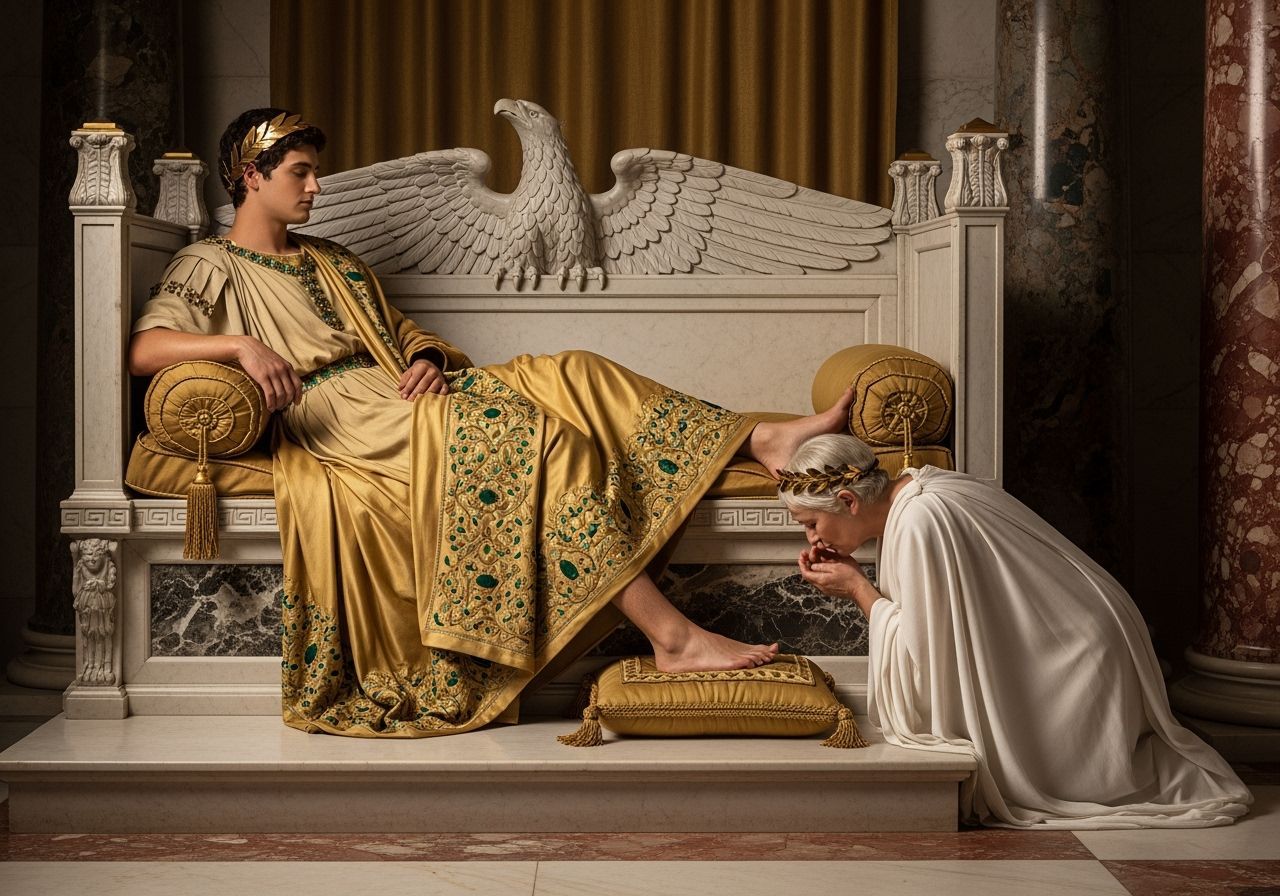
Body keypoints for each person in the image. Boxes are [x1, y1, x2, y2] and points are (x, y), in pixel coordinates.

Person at [128, 108, 851, 738]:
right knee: (550, 444)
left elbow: (400, 330)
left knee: (576, 370)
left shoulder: (334, 262)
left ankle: (762, 438)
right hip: (338, 420)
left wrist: (425, 357)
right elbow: (144, 349)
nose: (316, 187)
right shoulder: (208, 263)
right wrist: (238, 344)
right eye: (301, 172)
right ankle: (673, 636)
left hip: (405, 394)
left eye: (315, 172)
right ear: (250, 175)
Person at [779, 433, 1253, 828]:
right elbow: (946, 623)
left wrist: (859, 589)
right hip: (1085, 632)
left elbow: (930, 655)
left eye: (812, 523)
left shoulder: (920, 520)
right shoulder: (922, 487)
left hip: (1074, 659)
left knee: (1085, 780)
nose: (813, 538)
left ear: (847, 499)